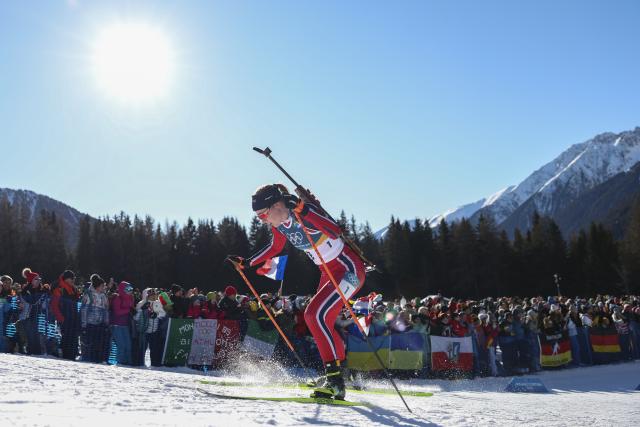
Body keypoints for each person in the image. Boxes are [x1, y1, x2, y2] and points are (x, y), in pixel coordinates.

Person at [229, 184, 366, 400]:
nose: (262, 220)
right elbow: (275, 248)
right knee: (324, 321)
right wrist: (247, 263)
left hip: (347, 268)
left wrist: (304, 208)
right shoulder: (280, 224)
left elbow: (335, 230)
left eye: (263, 214)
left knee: (314, 315)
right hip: (327, 271)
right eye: (258, 217)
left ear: (276, 205)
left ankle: (335, 382)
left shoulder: (303, 212)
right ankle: (338, 374)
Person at [51, 270, 81, 360]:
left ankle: (72, 357)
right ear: (66, 279)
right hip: (65, 318)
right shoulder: (59, 288)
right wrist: (61, 318)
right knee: (66, 339)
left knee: (74, 339)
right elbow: (54, 305)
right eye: (71, 278)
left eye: (74, 278)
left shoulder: (74, 289)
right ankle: (65, 357)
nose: (73, 280)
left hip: (74, 318)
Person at [80, 274, 110, 363]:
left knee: (99, 343)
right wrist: (83, 324)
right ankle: (88, 358)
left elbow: (106, 309)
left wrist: (106, 322)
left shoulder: (103, 295)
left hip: (100, 323)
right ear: (97, 286)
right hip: (90, 322)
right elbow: (84, 309)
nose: (104, 287)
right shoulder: (88, 294)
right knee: (89, 342)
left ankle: (98, 359)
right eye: (102, 286)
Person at [110, 281, 134, 365]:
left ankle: (128, 363)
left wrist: (133, 311)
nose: (129, 291)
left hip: (125, 325)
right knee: (121, 345)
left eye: (131, 289)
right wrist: (128, 310)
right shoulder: (118, 298)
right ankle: (120, 363)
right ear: (122, 289)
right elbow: (117, 312)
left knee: (128, 345)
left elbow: (130, 310)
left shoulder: (130, 298)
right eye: (127, 289)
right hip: (116, 325)